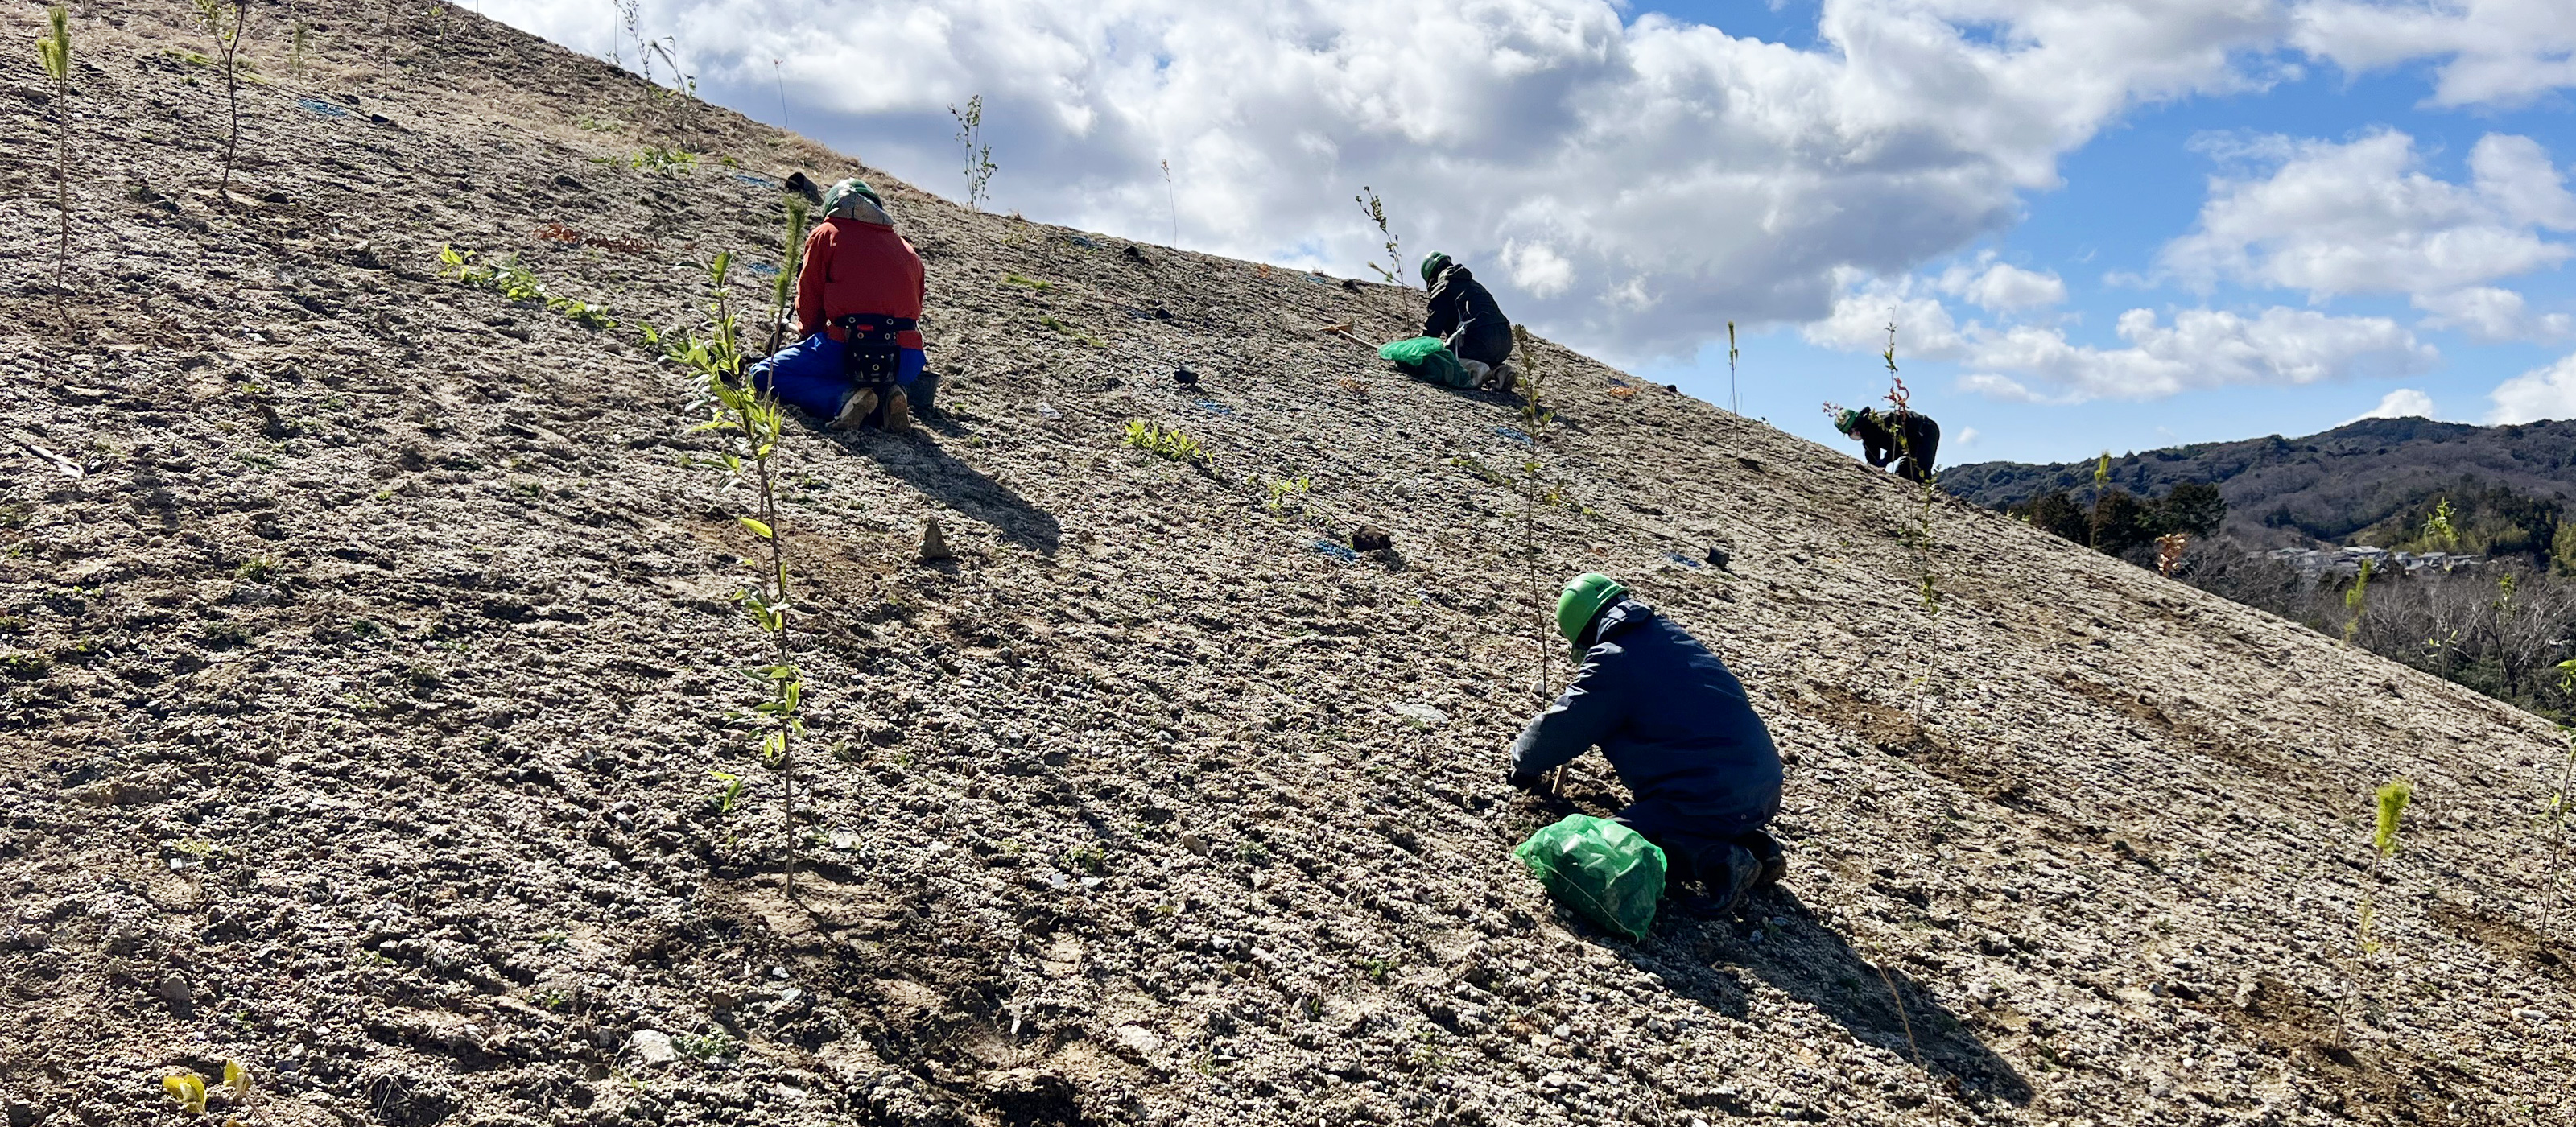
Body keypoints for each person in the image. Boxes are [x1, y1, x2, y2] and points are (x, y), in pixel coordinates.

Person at [1506, 574, 1787, 912]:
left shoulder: (1615, 659)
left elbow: (1566, 723)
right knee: (1684, 808)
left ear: (1583, 634)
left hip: (1709, 796)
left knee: (1600, 848)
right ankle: (1753, 844)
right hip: (1763, 788)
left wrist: (1524, 762)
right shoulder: (1670, 637)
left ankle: (1716, 858)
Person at [749, 179, 931, 432]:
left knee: (763, 374)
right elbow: (915, 308)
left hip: (848, 350)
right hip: (906, 360)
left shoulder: (827, 233)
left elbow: (810, 301)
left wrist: (808, 334)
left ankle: (846, 400)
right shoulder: (908, 251)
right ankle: (889, 394)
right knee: (869, 370)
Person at [1418, 251, 1517, 391]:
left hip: (1482, 340)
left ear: (1432, 277)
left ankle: (1475, 369)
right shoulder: (1472, 284)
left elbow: (1433, 328)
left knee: (1442, 357)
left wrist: (1417, 349)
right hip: (1506, 341)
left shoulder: (1443, 285)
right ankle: (1502, 372)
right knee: (1466, 348)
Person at [1835, 407, 1940, 483]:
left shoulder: (1884, 421)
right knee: (1902, 476)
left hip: (1925, 431)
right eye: (1849, 432)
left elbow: (1899, 446)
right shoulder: (1868, 438)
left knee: (1920, 474)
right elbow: (1873, 459)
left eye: (1852, 429)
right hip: (1910, 444)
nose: (1853, 433)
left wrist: (1886, 459)